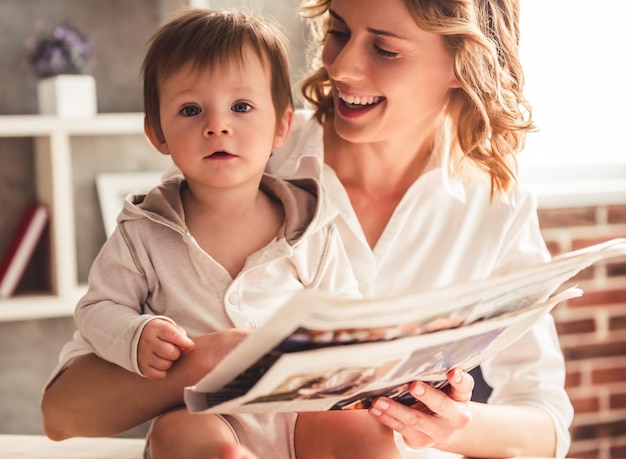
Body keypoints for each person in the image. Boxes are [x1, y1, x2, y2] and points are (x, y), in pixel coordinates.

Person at [41, 0, 574, 458]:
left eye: (385, 49)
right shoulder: (236, 155)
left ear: (464, 64)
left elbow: (546, 421)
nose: (340, 67)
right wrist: (206, 361)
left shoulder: (491, 204)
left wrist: (456, 423)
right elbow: (65, 412)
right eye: (338, 31)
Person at [67, 8, 362, 459]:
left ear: (283, 125)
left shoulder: (311, 225)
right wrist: (135, 334)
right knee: (184, 436)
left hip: (302, 409)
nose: (217, 125)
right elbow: (97, 308)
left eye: (241, 107)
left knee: (361, 433)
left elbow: (349, 317)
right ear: (157, 134)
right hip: (200, 410)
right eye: (190, 110)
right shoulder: (142, 232)